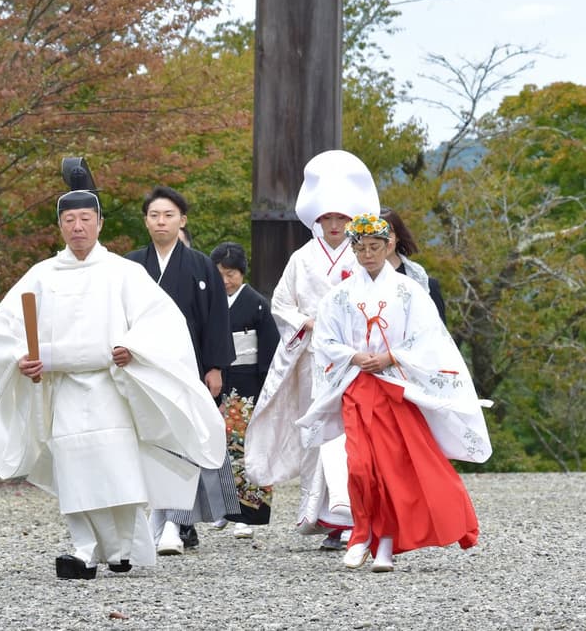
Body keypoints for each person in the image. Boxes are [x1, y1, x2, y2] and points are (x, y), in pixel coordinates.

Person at [0, 158, 226, 579]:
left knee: (117, 469)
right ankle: (84, 549)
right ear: (60, 226)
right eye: (69, 220)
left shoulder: (122, 272)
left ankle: (122, 548)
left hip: (108, 384)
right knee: (74, 470)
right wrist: (22, 356)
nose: (77, 227)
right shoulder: (42, 275)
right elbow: (1, 325)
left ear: (99, 223)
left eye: (85, 219)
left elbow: (162, 320)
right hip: (64, 386)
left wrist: (133, 347)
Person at [296, 213, 491, 573]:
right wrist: (354, 356)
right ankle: (360, 534)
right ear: (353, 250)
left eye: (374, 247)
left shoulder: (410, 291)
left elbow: (428, 336)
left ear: (389, 246)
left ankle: (384, 542)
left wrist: (391, 356)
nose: (367, 254)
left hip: (395, 388)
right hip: (356, 386)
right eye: (361, 247)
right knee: (359, 467)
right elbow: (325, 339)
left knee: (390, 470)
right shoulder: (339, 295)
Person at [244, 149, 379, 550]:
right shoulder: (301, 259)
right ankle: (323, 517)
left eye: (341, 218)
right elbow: (281, 303)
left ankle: (351, 516)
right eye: (328, 219)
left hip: (350, 359)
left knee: (351, 434)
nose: (335, 226)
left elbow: (374, 303)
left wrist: (346, 331)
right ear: (317, 220)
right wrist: (306, 323)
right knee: (318, 435)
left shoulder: (362, 257)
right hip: (311, 360)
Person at [126, 184, 237, 554]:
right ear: (145, 221)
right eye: (155, 215)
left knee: (183, 442)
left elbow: (215, 319)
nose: (161, 221)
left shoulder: (201, 265)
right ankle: (154, 520)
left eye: (169, 215)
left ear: (182, 220)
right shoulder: (130, 266)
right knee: (148, 442)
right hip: (142, 369)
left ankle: (175, 522)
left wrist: (216, 366)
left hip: (187, 367)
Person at [208, 241, 280, 539]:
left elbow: (270, 349)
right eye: (220, 274)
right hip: (215, 381)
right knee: (217, 447)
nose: (226, 280)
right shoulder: (209, 302)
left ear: (242, 273)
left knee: (246, 447)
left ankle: (248, 514)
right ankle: (224, 508)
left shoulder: (257, 303)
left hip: (248, 382)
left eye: (232, 274)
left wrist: (266, 388)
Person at [380, 206, 447, 321]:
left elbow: (439, 332)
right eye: (376, 235)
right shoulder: (356, 280)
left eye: (388, 233)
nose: (382, 241)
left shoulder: (424, 284)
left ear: (397, 236)